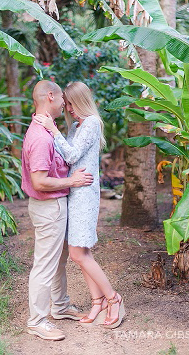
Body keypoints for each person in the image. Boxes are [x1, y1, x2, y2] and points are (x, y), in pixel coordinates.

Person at [34, 81, 125, 329]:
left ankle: (113, 298)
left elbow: (72, 155)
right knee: (82, 253)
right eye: (68, 103)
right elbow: (65, 156)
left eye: (72, 103)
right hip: (72, 191)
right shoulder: (76, 126)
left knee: (77, 253)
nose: (69, 108)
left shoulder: (92, 124)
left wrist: (53, 131)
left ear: (82, 101)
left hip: (84, 194)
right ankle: (98, 302)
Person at [21, 80, 94, 341]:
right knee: (45, 264)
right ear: (50, 96)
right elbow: (40, 181)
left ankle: (60, 306)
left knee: (59, 260)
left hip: (55, 205)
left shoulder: (48, 130)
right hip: (48, 206)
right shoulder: (40, 136)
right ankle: (37, 321)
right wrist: (72, 182)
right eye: (63, 98)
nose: (65, 103)